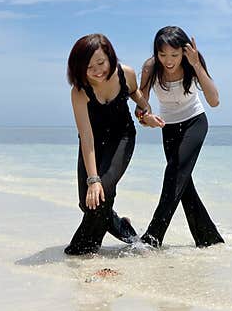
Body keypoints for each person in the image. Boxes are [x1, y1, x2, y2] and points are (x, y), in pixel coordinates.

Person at [64, 33, 163, 255]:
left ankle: (81, 250)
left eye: (101, 62)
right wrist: (92, 179)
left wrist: (145, 113)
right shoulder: (79, 92)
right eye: (89, 67)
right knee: (87, 201)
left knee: (102, 193)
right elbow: (86, 136)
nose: (98, 70)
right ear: (79, 69)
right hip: (93, 143)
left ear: (110, 57)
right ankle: (125, 230)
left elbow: (136, 95)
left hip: (122, 138)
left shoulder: (124, 74)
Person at [136, 26, 225, 248]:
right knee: (182, 183)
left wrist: (196, 64)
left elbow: (214, 101)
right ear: (156, 52)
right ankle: (209, 239)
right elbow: (141, 106)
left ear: (183, 52)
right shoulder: (150, 68)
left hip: (195, 122)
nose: (169, 60)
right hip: (169, 127)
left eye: (175, 55)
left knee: (174, 175)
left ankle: (152, 237)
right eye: (163, 54)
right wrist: (146, 118)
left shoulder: (192, 63)